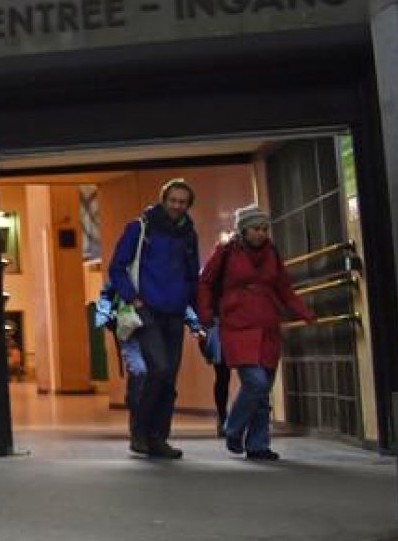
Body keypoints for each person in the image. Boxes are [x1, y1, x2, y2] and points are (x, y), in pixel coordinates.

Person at [197, 205, 315, 460]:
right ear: (243, 230)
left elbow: (284, 287)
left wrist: (303, 311)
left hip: (268, 325)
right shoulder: (226, 252)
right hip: (238, 325)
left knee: (263, 389)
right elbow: (205, 282)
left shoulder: (272, 253)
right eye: (256, 229)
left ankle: (258, 444)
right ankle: (233, 427)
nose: (261, 233)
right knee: (256, 382)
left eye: (264, 228)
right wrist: (205, 315)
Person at [107, 179, 201, 458]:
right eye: (173, 200)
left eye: (183, 202)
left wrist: (197, 313)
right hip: (146, 310)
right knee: (158, 369)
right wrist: (133, 298)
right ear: (164, 199)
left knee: (169, 379)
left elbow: (192, 274)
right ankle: (140, 431)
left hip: (175, 312)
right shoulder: (141, 227)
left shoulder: (189, 234)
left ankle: (158, 437)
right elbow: (117, 267)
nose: (177, 206)